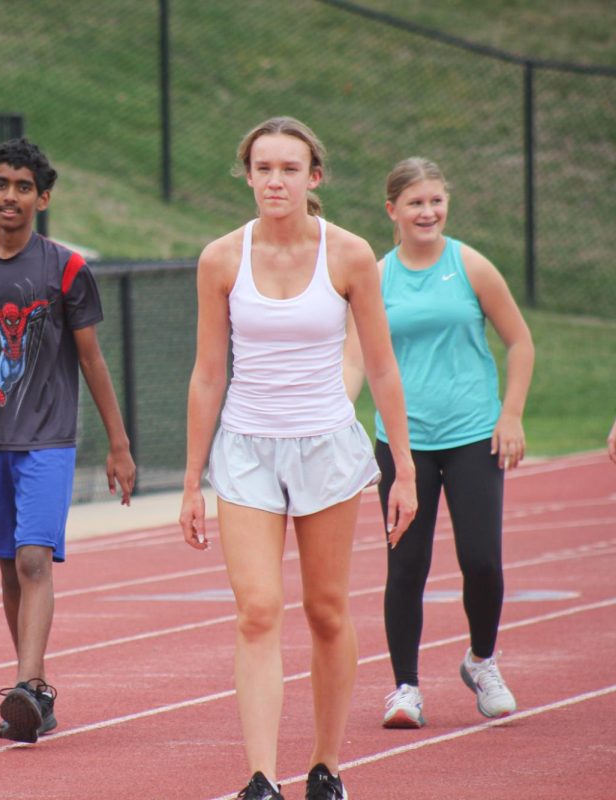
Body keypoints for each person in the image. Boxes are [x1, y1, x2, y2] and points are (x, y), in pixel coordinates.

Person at [178, 117, 417, 800]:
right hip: (248, 450)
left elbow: (382, 366)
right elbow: (205, 374)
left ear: (313, 178)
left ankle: (327, 767)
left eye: (289, 169)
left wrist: (401, 467)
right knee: (256, 610)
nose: (274, 181)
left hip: (327, 449)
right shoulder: (221, 258)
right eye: (263, 168)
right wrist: (192, 481)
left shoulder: (349, 256)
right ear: (247, 175)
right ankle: (260, 778)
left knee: (327, 611)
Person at [0, 137, 136, 744]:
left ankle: (25, 684)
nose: (10, 196)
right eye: (1, 185)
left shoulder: (66, 268)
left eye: (24, 187)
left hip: (48, 439)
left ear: (42, 199)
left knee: (34, 558)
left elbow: (93, 361)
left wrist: (118, 445)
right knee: (8, 570)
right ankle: (35, 689)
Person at [344, 157, 534, 731]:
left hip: (474, 434)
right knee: (407, 566)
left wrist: (512, 415)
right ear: (392, 211)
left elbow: (519, 341)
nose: (427, 212)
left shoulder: (470, 265)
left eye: (436, 201)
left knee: (482, 561)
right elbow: (355, 356)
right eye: (415, 203)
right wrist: (337, 415)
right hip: (403, 443)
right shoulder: (376, 276)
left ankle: (481, 660)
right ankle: (405, 688)